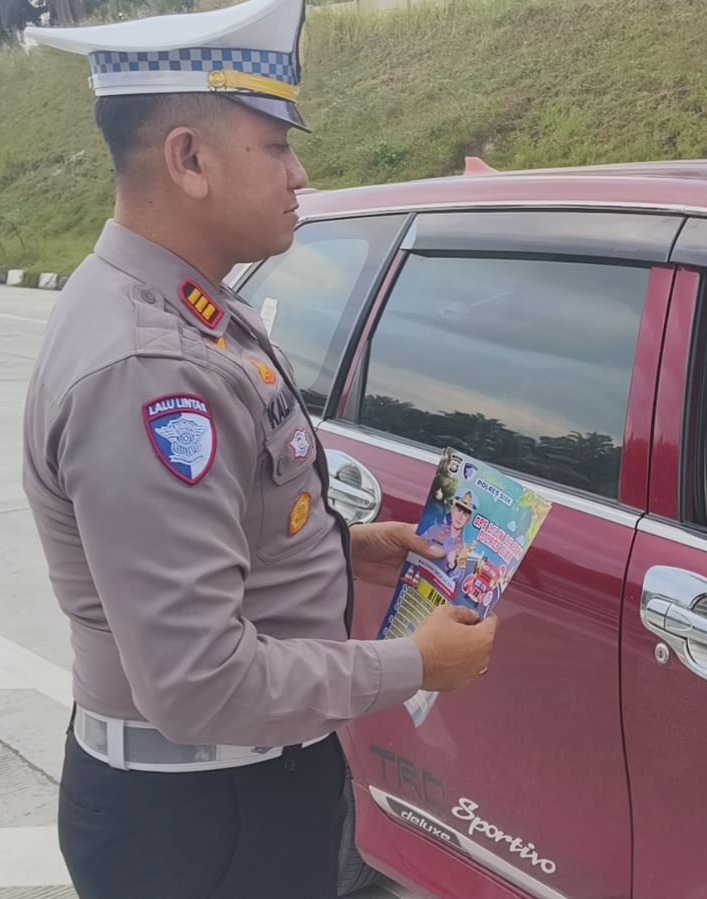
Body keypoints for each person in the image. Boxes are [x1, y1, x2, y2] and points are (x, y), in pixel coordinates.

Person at [21, 0, 497, 896]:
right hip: (203, 819)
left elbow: (212, 521)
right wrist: (417, 664)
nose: (300, 173)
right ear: (188, 160)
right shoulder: (150, 370)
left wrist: (340, 543)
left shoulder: (192, 307)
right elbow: (197, 682)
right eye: (276, 146)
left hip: (230, 791)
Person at [422, 487, 477, 586]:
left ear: (468, 520)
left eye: (465, 514)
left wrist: (453, 565)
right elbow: (418, 545)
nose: (460, 517)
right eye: (458, 510)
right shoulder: (435, 530)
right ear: (452, 511)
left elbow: (459, 578)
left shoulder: (463, 549)